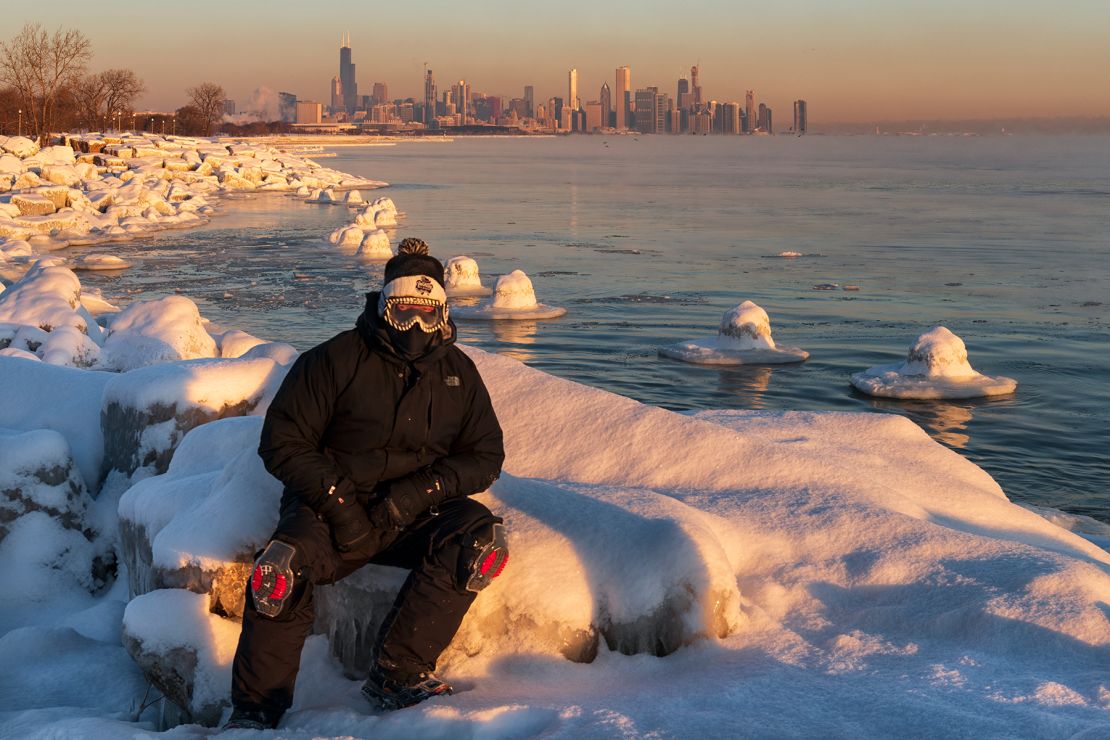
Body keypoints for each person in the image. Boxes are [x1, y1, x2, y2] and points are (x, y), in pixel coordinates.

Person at [224, 238, 507, 731]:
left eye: (427, 314)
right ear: (383, 306)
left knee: (480, 540)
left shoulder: (458, 371)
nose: (416, 327)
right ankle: (255, 712)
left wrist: (418, 494)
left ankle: (398, 673)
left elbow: (485, 456)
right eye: (404, 313)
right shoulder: (333, 360)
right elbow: (283, 442)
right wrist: (342, 506)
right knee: (279, 574)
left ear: (442, 311)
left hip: (412, 515)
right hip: (331, 512)